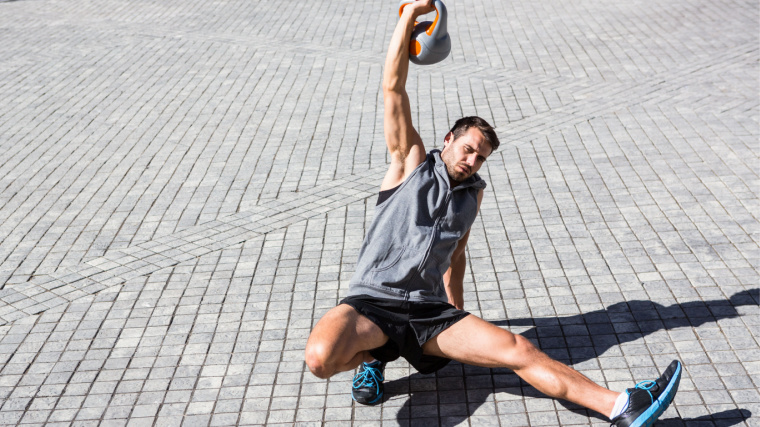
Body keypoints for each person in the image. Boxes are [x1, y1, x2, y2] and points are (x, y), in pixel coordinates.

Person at [304, 1, 682, 425]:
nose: (471, 161)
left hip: (429, 313)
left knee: (519, 350)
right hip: (373, 301)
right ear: (448, 139)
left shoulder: (472, 195)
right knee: (319, 358)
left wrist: (459, 315)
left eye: (480, 157)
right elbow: (392, 88)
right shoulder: (409, 162)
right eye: (467, 149)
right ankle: (374, 358)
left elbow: (456, 254)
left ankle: (622, 405)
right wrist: (410, 16)